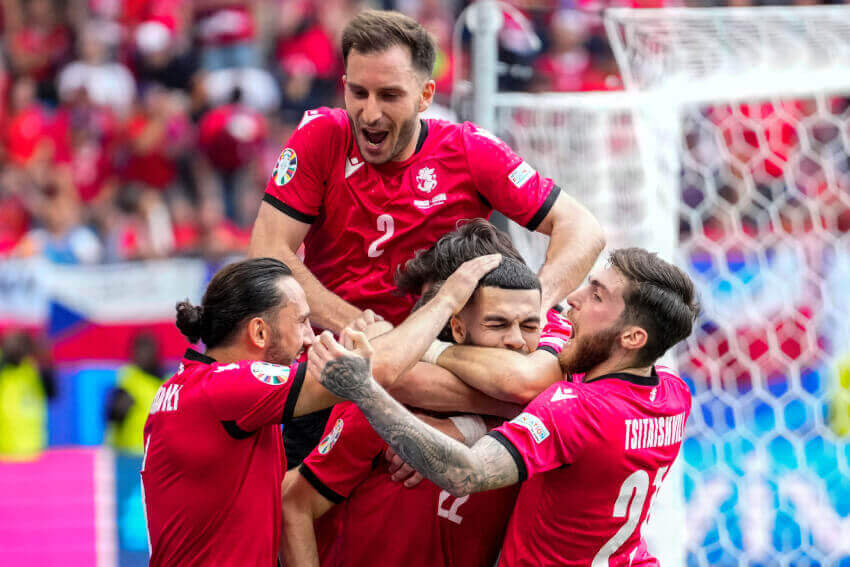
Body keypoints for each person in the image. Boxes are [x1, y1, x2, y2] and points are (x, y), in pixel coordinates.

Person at [315, 248, 700, 566]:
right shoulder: (673, 394)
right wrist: (472, 424)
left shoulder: (574, 410)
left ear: (633, 336)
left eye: (597, 296)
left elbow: (467, 472)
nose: (573, 299)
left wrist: (364, 390)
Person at [250, 9, 603, 332]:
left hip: (443, 351)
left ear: (425, 95)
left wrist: (537, 304)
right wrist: (357, 326)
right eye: (358, 92)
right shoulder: (321, 134)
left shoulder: (469, 149)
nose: (370, 113)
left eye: (389, 95)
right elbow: (266, 251)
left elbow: (584, 228)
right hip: (339, 351)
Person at [141, 254, 500, 567]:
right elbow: (375, 373)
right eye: (300, 322)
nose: (311, 337)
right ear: (260, 332)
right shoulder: (227, 387)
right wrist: (448, 300)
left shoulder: (191, 386)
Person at [281, 257, 541, 567]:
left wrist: (470, 428)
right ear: (457, 328)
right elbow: (293, 505)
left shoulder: (543, 410)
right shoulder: (379, 406)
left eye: (530, 325)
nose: (515, 340)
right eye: (496, 324)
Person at [106, 333, 164, 454]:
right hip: (130, 454)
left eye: (147, 349)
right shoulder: (128, 379)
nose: (143, 354)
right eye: (140, 349)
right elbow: (113, 415)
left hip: (157, 454)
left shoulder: (167, 381)